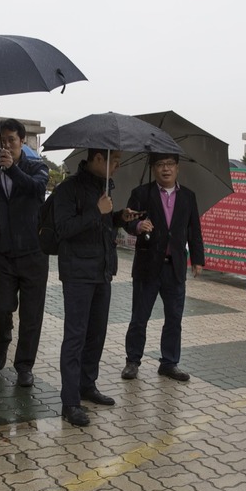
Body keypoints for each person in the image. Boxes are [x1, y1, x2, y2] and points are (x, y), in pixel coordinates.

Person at [53, 148, 142, 427]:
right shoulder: (68, 189)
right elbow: (63, 229)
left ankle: (87, 385)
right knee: (75, 337)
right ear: (98, 159)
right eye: (114, 160)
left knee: (97, 334)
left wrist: (117, 218)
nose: (118, 165)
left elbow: (99, 226)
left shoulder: (105, 187)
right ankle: (70, 401)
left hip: (103, 271)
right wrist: (97, 211)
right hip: (78, 273)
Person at [121, 152, 205, 382]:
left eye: (170, 164)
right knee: (139, 316)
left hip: (175, 267)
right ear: (153, 168)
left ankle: (169, 363)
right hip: (147, 265)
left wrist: (197, 259)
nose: (165, 169)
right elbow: (126, 221)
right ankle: (132, 361)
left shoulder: (188, 196)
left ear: (177, 168)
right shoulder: (141, 193)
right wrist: (138, 225)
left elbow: (194, 229)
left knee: (174, 318)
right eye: (160, 165)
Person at [0, 119, 51, 387]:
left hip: (34, 252)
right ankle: (2, 342)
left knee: (32, 315)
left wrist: (12, 170)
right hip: (3, 254)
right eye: (3, 140)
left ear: (23, 140)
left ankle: (24, 365)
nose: (7, 145)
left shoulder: (38, 168)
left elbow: (36, 191)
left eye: (12, 139)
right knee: (0, 308)